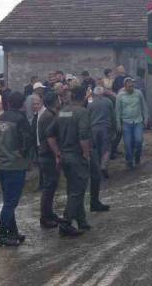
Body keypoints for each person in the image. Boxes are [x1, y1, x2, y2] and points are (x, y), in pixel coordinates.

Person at [52, 84, 94, 237]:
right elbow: (84, 136)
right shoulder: (82, 112)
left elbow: (50, 134)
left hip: (64, 156)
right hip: (77, 156)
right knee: (77, 191)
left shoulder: (62, 112)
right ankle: (66, 222)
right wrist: (86, 154)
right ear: (84, 97)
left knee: (73, 189)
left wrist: (57, 153)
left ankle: (81, 220)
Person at [0, 90, 34, 247]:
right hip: (15, 165)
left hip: (0, 164)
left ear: (8, 103)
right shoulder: (21, 120)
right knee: (11, 202)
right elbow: (27, 142)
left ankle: (13, 231)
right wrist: (25, 157)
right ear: (23, 104)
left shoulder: (0, 118)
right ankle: (1, 234)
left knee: (8, 200)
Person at [36, 91, 64, 228]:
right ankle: (45, 217)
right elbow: (50, 137)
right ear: (54, 101)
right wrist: (57, 154)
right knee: (49, 186)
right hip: (48, 155)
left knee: (52, 186)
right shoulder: (48, 117)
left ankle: (49, 213)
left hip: (48, 155)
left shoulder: (49, 115)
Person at [116, 77, 149, 169]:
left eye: (132, 86)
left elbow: (144, 106)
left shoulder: (138, 93)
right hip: (126, 122)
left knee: (139, 141)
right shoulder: (120, 96)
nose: (131, 88)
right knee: (127, 144)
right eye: (129, 86)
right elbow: (117, 111)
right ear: (125, 86)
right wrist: (118, 123)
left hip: (138, 121)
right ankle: (129, 161)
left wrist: (146, 118)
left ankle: (137, 156)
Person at [89, 85, 116, 180]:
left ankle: (96, 168)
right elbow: (113, 116)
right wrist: (114, 128)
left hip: (93, 128)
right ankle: (104, 166)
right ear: (103, 93)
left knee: (96, 149)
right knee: (107, 148)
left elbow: (88, 117)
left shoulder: (90, 103)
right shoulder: (108, 102)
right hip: (106, 128)